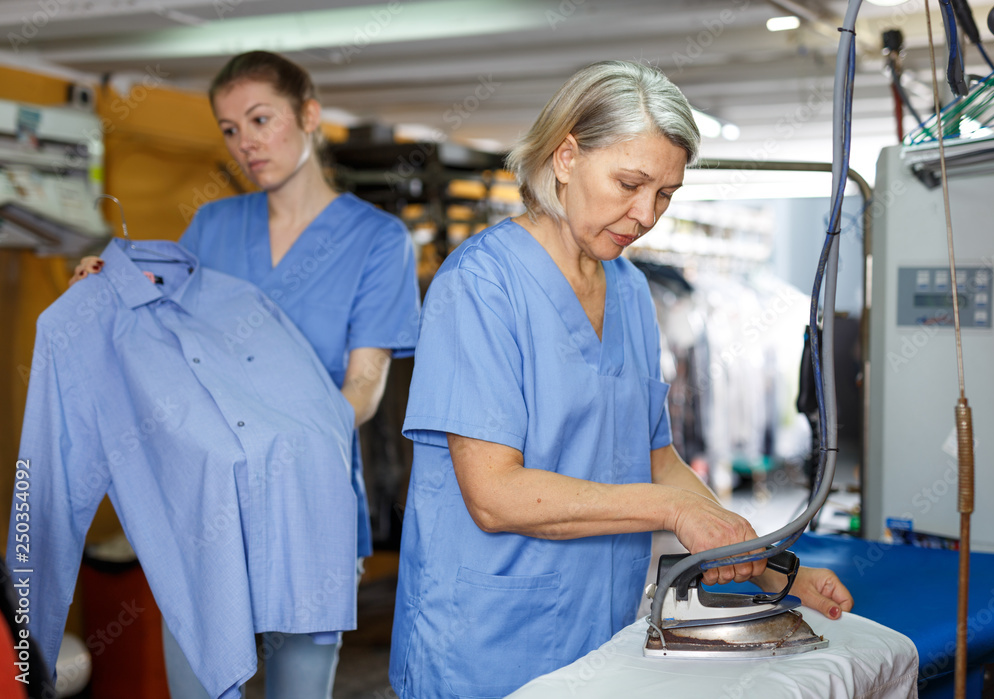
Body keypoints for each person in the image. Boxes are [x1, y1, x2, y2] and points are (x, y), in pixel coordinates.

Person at [389, 60, 853, 699]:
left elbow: (657, 459)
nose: (645, 214)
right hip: (484, 642)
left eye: (665, 194)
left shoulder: (632, 291)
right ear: (566, 156)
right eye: (629, 183)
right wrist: (671, 509)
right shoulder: (481, 287)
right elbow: (494, 495)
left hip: (600, 632)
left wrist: (764, 565)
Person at [72, 51, 420, 698]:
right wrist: (108, 290)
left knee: (298, 688)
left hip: (309, 497)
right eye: (230, 129)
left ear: (309, 115)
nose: (245, 143)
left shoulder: (378, 241)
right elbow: (166, 333)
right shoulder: (213, 225)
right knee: (198, 684)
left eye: (260, 119)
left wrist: (285, 452)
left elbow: (363, 390)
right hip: (210, 499)